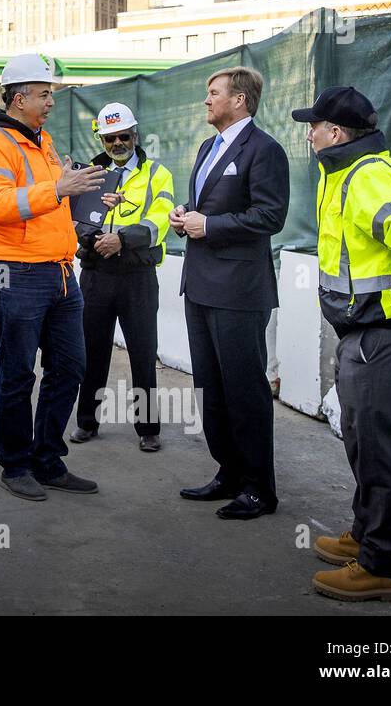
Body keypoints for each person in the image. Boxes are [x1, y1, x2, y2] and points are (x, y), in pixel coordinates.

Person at [291, 87, 391, 602]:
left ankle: (381, 564)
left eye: (314, 125)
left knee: (377, 444)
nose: (309, 132)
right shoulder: (344, 173)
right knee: (361, 436)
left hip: (383, 333)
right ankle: (363, 535)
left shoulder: (368, 176)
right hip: (362, 331)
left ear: (335, 133)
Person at [0, 54, 106, 501]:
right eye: (44, 93)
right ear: (17, 98)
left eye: (51, 93)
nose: (51, 101)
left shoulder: (41, 141)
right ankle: (15, 465)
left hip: (60, 273)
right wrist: (57, 188)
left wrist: (67, 185)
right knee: (17, 373)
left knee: (70, 368)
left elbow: (46, 202)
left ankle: (48, 459)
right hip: (15, 272)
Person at [170, 66, 288, 520]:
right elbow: (208, 209)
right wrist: (188, 216)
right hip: (200, 286)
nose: (206, 100)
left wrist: (210, 225)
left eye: (213, 93)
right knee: (210, 387)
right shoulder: (207, 147)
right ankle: (229, 473)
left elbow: (270, 217)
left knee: (244, 390)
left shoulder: (265, 150)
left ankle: (260, 488)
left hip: (239, 290)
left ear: (239, 100)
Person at [70, 103, 174, 452]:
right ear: (101, 138)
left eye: (123, 136)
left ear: (135, 134)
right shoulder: (89, 174)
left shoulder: (157, 173)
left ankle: (148, 428)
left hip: (136, 275)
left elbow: (159, 221)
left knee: (143, 353)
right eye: (110, 137)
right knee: (92, 352)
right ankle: (87, 422)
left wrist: (122, 240)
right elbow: (74, 218)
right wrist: (92, 238)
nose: (117, 143)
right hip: (97, 273)